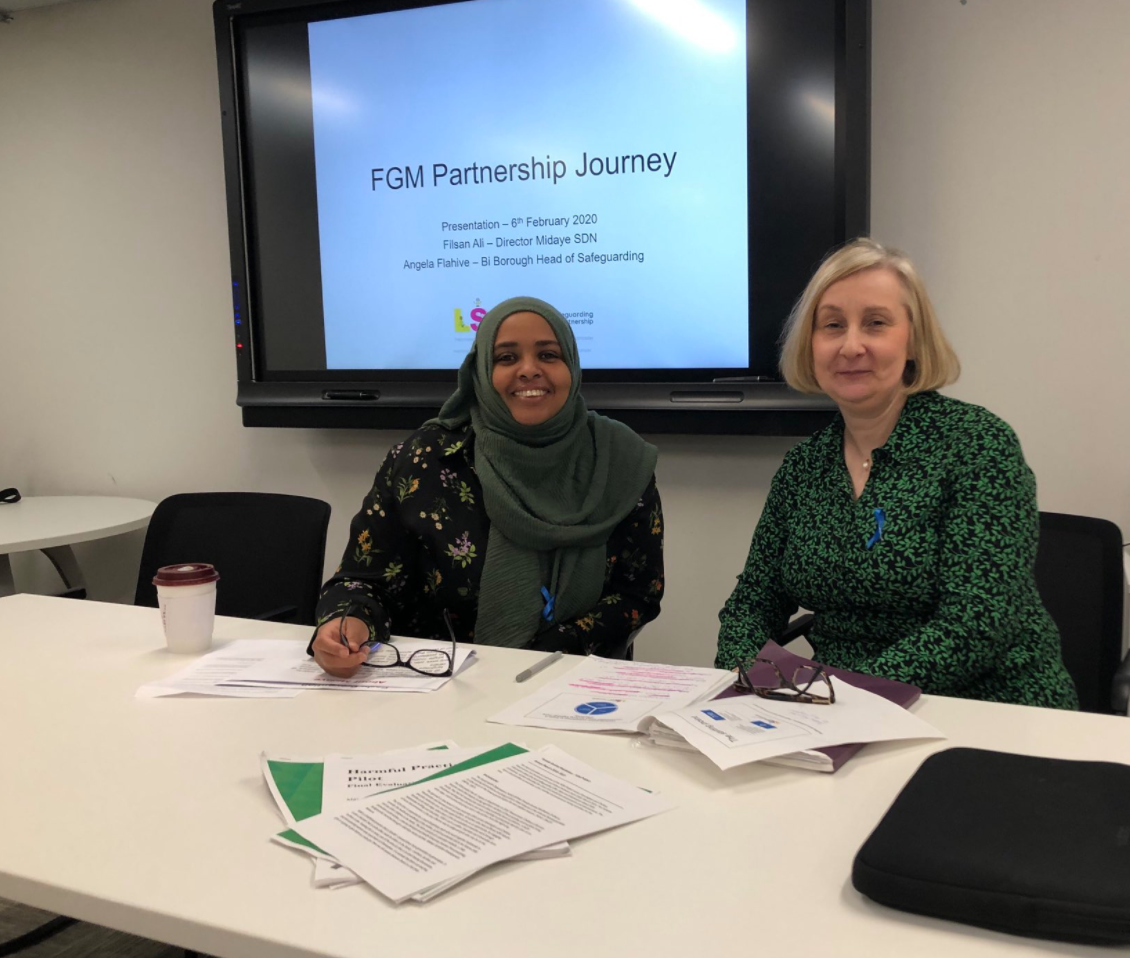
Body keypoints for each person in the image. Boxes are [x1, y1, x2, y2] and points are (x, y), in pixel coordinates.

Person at [715, 239, 1077, 708]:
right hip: (832, 710)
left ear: (913, 340)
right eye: (832, 325)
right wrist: (747, 676)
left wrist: (845, 695)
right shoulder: (803, 467)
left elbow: (979, 622)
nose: (851, 346)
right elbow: (753, 602)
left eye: (876, 323)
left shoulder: (978, 445)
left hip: (983, 705)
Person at [311, 296, 664, 677]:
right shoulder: (425, 460)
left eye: (548, 355)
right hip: (441, 683)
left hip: (572, 684)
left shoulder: (619, 459)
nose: (528, 370)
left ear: (572, 367)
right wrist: (347, 624)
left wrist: (549, 651)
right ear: (480, 370)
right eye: (506, 358)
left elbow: (638, 594)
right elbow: (362, 580)